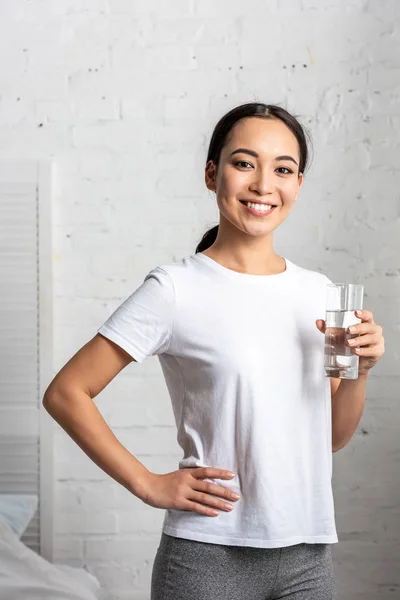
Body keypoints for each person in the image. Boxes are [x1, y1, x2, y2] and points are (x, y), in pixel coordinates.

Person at [43, 102, 385, 600]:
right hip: (207, 558)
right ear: (212, 174)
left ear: (298, 185)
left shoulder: (321, 293)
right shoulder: (176, 289)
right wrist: (147, 484)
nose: (264, 184)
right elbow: (66, 392)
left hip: (308, 557)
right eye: (244, 163)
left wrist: (361, 372)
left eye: (283, 169)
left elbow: (329, 436)